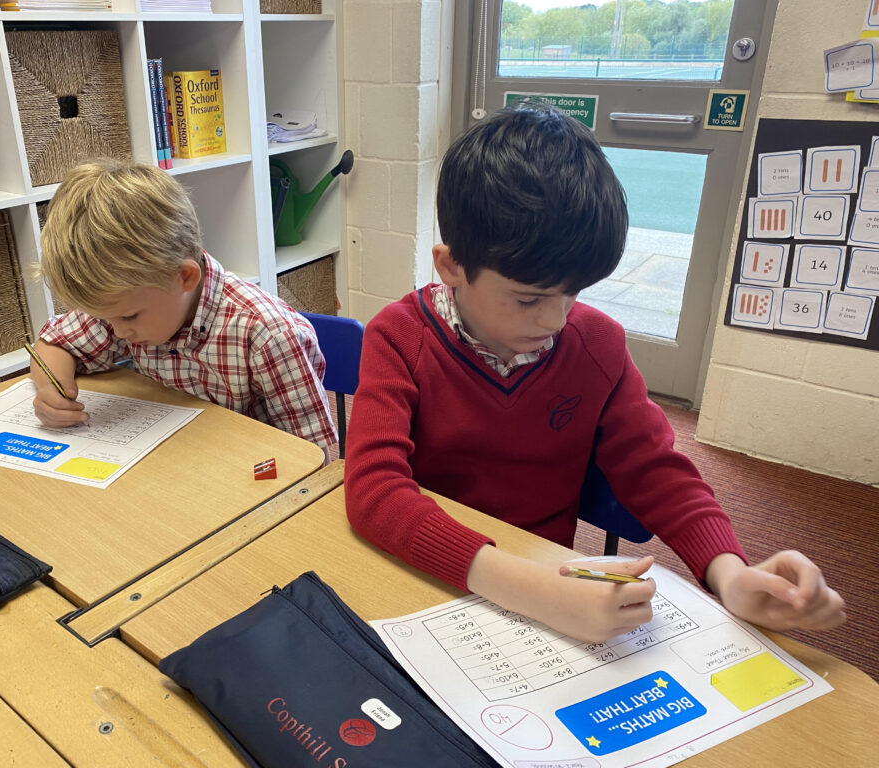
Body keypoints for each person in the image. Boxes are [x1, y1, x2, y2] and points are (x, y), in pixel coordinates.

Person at [344, 106, 845, 643]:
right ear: (451, 267)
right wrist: (529, 589)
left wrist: (731, 574)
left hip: (551, 581)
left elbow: (657, 470)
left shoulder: (596, 343)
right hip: (430, 569)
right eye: (529, 298)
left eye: (573, 294)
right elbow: (374, 488)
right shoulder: (399, 337)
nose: (555, 320)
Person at [29, 159, 337, 454]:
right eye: (107, 320)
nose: (119, 332)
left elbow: (312, 455)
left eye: (128, 317)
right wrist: (51, 389)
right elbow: (53, 345)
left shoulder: (268, 336)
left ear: (185, 277)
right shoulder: (125, 305)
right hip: (170, 461)